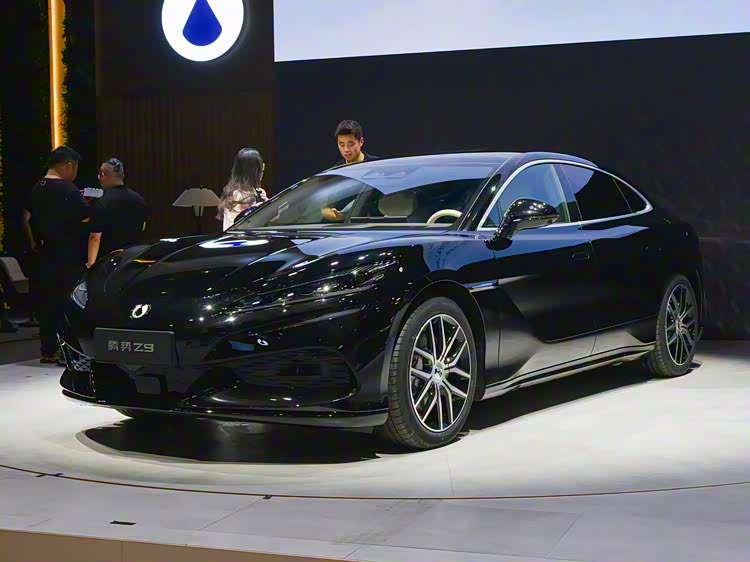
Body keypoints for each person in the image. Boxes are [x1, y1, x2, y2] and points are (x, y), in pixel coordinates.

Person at [23, 146, 91, 364]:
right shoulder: (68, 189)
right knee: (67, 302)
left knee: (47, 303)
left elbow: (25, 219)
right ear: (68, 165)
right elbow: (86, 217)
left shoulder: (36, 188)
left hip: (45, 253)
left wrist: (33, 242)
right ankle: (66, 351)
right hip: (68, 254)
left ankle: (48, 350)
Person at [87, 158, 147, 267]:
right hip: (133, 258)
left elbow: (95, 237)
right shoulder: (139, 200)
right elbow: (143, 227)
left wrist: (91, 265)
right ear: (122, 176)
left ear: (102, 175)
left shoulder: (103, 201)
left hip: (108, 260)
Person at [217, 148, 268, 230]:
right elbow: (234, 225)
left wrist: (267, 204)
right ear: (252, 171)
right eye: (260, 170)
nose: (262, 173)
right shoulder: (237, 194)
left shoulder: (254, 191)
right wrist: (255, 211)